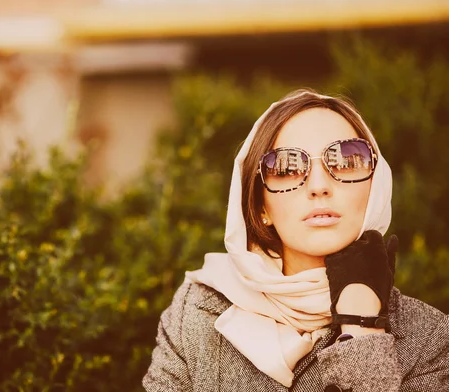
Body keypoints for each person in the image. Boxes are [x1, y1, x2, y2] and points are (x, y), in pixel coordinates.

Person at [142, 89, 449, 392]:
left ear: (375, 188)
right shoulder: (194, 312)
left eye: (346, 159)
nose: (318, 186)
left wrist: (363, 328)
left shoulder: (429, 338)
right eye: (286, 166)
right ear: (261, 207)